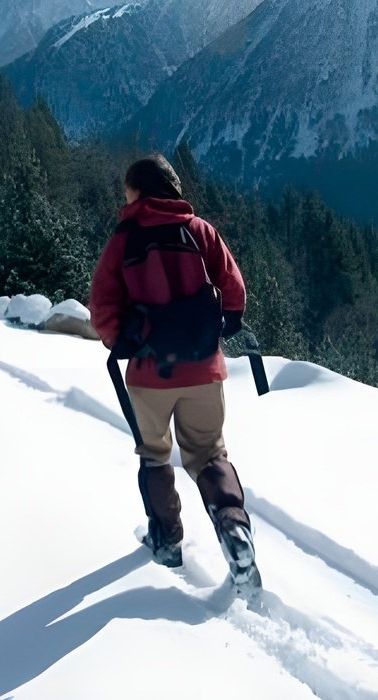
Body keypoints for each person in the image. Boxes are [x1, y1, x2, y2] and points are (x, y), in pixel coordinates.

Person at [88, 153, 260, 593]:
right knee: (208, 455)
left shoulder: (124, 240)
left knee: (154, 454)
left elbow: (103, 309)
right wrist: (227, 322)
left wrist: (120, 341)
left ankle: (166, 540)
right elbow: (234, 290)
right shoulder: (199, 231)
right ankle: (234, 528)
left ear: (140, 192)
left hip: (149, 374)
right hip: (204, 369)